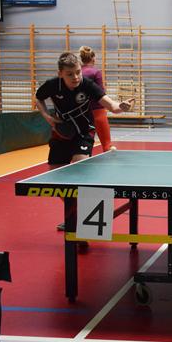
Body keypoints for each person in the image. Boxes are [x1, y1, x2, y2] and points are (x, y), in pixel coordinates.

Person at [35, 52, 133, 232]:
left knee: (81, 169)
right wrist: (48, 117)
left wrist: (121, 106)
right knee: (56, 179)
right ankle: (77, 214)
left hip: (83, 131)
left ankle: (89, 217)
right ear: (60, 74)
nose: (76, 77)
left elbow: (111, 106)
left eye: (78, 72)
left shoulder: (87, 85)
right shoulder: (52, 85)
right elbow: (38, 97)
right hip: (61, 132)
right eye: (70, 74)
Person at [79, 46, 116, 151]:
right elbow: (100, 93)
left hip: (82, 112)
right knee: (107, 145)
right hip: (98, 111)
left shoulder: (77, 73)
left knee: (82, 144)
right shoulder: (95, 72)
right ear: (93, 58)